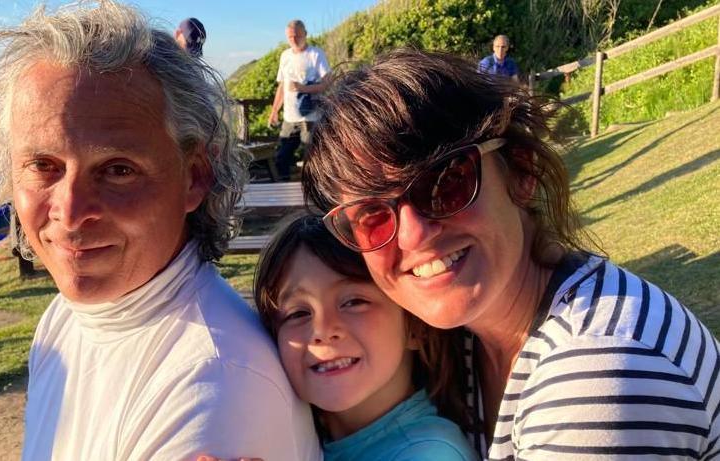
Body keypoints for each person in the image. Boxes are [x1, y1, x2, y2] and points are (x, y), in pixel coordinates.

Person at [302, 48, 720, 459]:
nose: (413, 236)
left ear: (519, 171)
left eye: (446, 182)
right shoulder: (467, 339)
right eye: (371, 215)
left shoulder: (595, 375)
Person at [0, 2, 320, 460]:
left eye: (118, 169)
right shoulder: (66, 319)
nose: (70, 211)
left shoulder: (213, 386)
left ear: (194, 177)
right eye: (43, 165)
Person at [253, 214, 477, 461]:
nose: (322, 330)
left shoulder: (429, 453)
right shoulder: (311, 440)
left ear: (415, 326)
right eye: (298, 313)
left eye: (353, 302)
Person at [268, 19, 330, 181]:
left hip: (311, 117)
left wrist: (303, 89)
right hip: (290, 117)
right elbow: (282, 86)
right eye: (289, 37)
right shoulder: (285, 56)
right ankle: (284, 194)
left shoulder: (316, 54)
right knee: (282, 157)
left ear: (305, 34)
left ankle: (313, 196)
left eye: (296, 36)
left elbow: (327, 84)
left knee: (313, 159)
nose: (293, 40)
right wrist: (274, 111)